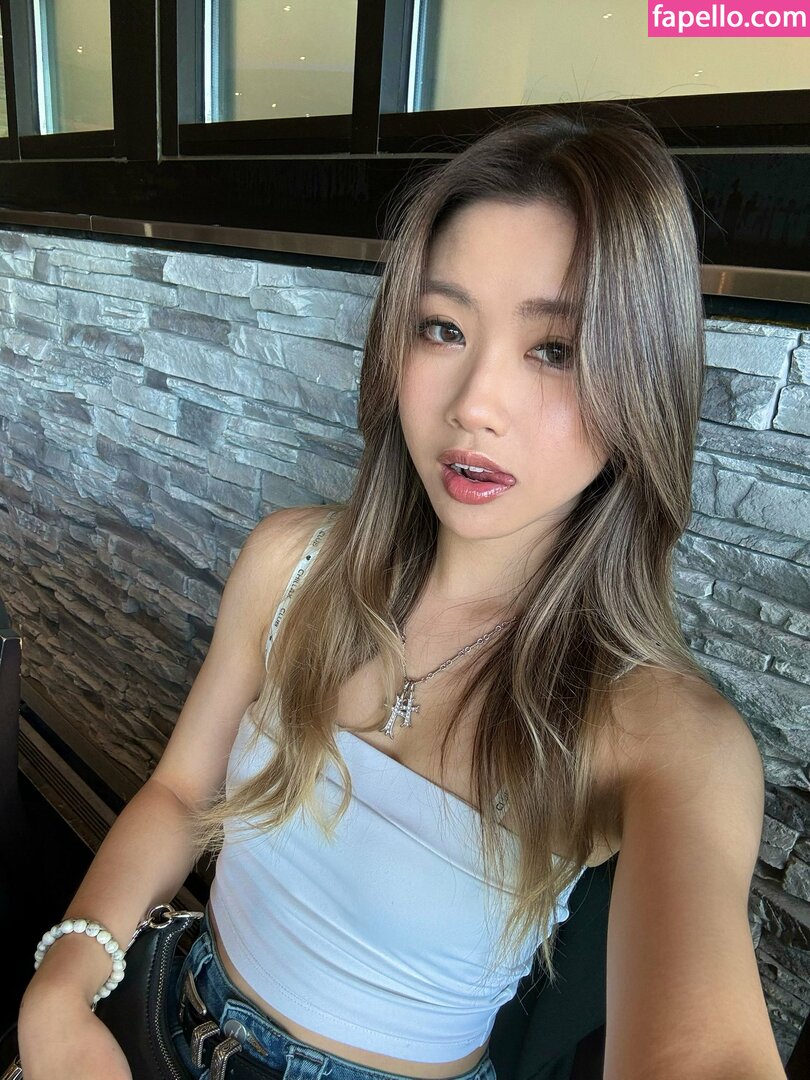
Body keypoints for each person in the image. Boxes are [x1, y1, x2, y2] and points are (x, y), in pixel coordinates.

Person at [16, 102, 787, 1080]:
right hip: (171, 1011)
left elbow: (708, 1054)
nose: (474, 405)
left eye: (554, 348)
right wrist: (63, 983)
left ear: (642, 380)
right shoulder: (292, 566)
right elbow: (179, 791)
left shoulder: (660, 732)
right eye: (443, 327)